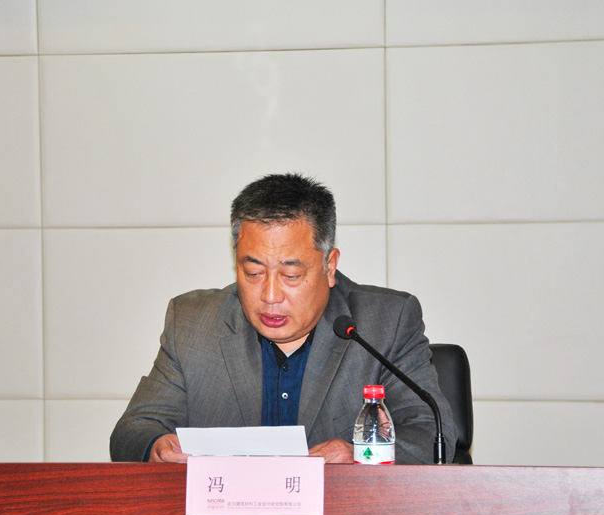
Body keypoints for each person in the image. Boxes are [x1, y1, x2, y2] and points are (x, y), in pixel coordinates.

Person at [110, 173, 457, 464]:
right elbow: (133, 430)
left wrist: (359, 456)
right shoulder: (192, 323)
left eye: (291, 275)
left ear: (329, 266)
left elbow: (431, 433)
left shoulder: (385, 323)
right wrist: (156, 446)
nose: (270, 295)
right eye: (253, 272)